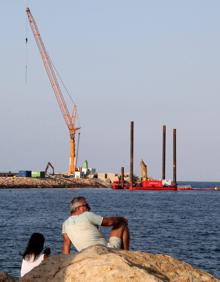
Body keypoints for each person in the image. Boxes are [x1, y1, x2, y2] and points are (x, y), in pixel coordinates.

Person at [62, 196, 130, 254]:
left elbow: (66, 245)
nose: (89, 208)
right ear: (80, 208)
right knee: (121, 224)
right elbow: (110, 222)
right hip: (105, 250)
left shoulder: (65, 224)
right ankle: (126, 253)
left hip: (86, 254)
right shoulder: (87, 215)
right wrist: (122, 219)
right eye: (87, 205)